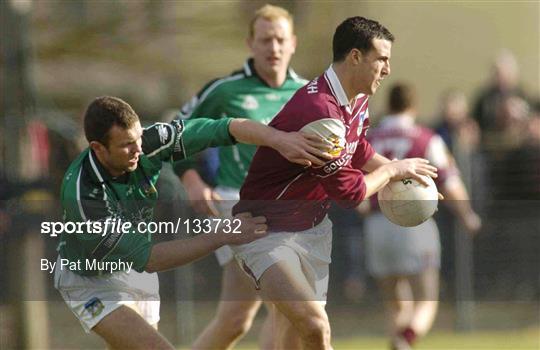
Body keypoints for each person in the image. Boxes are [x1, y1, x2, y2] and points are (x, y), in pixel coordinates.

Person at [54, 96, 331, 349]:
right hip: (91, 278)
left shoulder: (148, 142)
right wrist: (222, 235)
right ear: (98, 149)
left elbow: (225, 128)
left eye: (138, 137)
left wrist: (278, 139)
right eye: (126, 145)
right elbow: (149, 258)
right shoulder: (84, 195)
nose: (138, 148)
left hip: (134, 269)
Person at [232, 17, 439, 349]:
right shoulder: (321, 112)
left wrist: (404, 175)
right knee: (315, 327)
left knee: (290, 338)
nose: (387, 69)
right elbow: (350, 193)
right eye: (382, 59)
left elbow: (358, 150)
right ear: (355, 57)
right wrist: (392, 171)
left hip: (310, 230)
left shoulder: (354, 98)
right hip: (265, 230)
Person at [174, 5, 308, 349]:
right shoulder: (225, 91)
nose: (273, 48)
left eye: (280, 40)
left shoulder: (309, 94)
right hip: (241, 207)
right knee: (293, 309)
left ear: (292, 43)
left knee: (235, 321)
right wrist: (190, 178)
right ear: (251, 44)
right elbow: (175, 134)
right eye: (265, 40)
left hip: (292, 211)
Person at [363, 83, 481, 350]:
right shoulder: (427, 138)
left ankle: (397, 342)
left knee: (395, 305)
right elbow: (450, 183)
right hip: (415, 224)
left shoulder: (370, 139)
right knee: (426, 300)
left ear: (388, 105)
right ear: (414, 107)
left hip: (376, 223)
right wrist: (467, 215)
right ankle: (406, 340)